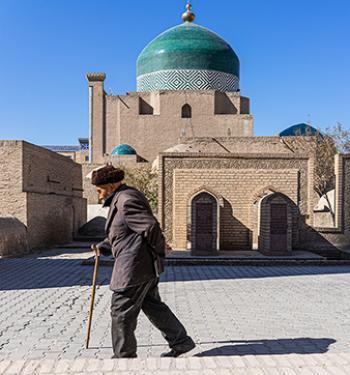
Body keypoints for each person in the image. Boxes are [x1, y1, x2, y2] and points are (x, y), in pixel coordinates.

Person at [91, 164, 195, 358]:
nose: (99, 195)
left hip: (135, 267)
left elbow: (150, 227)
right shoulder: (122, 198)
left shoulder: (127, 199)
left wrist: (160, 250)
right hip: (140, 265)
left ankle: (124, 356)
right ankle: (181, 342)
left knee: (121, 310)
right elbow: (124, 232)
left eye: (100, 190)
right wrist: (103, 246)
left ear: (111, 186)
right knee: (153, 306)